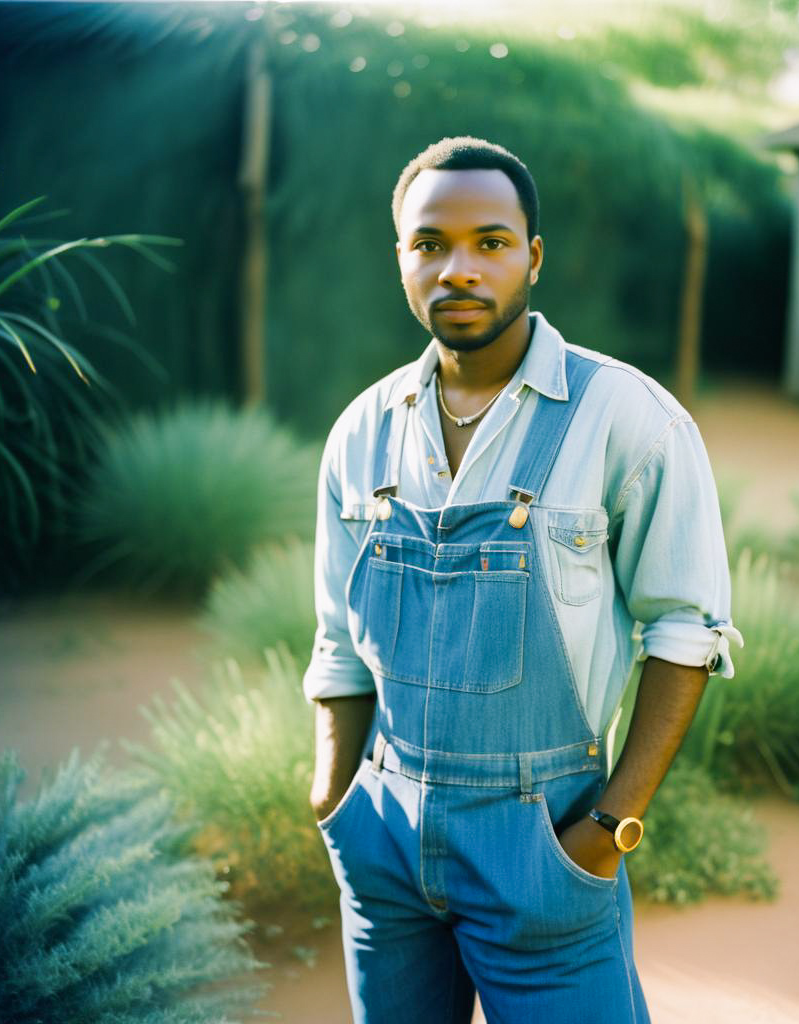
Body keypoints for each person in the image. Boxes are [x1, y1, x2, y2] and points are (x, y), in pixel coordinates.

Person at [303, 136, 744, 1024]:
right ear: (402, 259)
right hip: (382, 851)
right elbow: (337, 642)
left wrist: (607, 833)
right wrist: (334, 796)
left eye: (491, 242)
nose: (459, 268)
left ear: (533, 258)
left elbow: (685, 633)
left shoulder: (629, 419)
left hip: (546, 856)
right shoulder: (362, 430)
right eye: (430, 244)